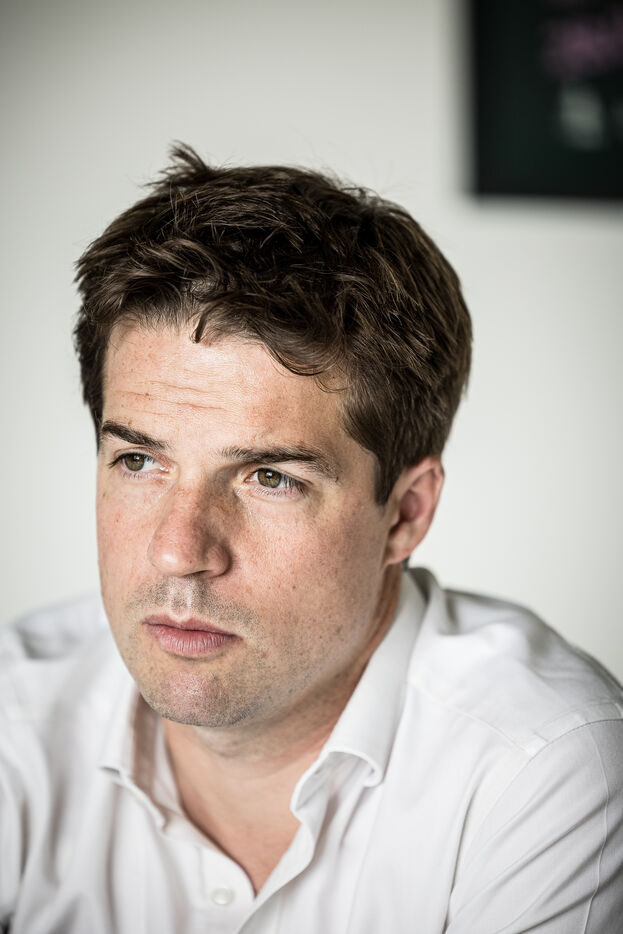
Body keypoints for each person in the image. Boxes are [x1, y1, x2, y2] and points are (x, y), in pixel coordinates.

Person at [1, 146, 622, 934]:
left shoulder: (541, 768)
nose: (178, 551)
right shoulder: (16, 714)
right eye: (140, 461)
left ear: (405, 514)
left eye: (269, 478)